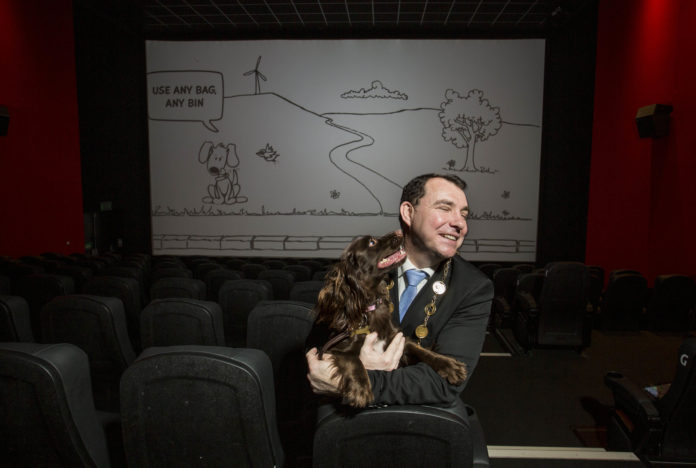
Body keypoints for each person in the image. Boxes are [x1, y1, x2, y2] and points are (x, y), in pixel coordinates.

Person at [306, 173, 493, 406]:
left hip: (419, 421)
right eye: (445, 208)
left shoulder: (473, 287)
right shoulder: (363, 267)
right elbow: (318, 357)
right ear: (408, 212)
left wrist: (352, 380)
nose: (460, 223)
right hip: (341, 421)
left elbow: (442, 384)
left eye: (464, 214)